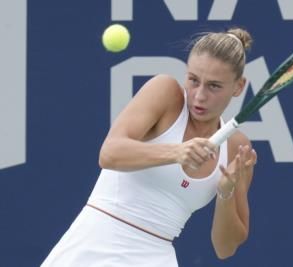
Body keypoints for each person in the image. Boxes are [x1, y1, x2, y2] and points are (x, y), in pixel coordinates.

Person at [41, 27, 258, 267]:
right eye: (193, 80)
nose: (198, 96)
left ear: (238, 87)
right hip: (94, 244)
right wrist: (176, 152)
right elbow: (110, 153)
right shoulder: (165, 93)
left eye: (214, 86)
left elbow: (225, 248)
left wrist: (225, 193)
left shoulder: (238, 147)